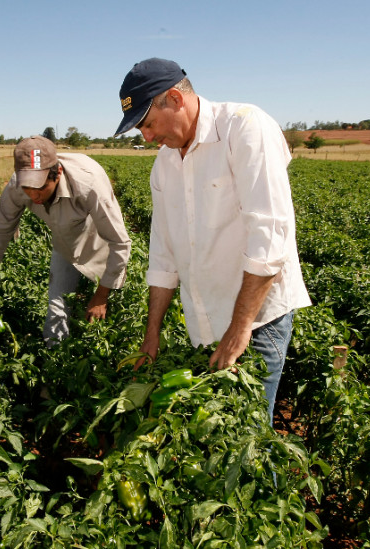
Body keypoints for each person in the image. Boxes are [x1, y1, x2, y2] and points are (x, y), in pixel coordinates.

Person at [115, 58, 311, 422]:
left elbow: (269, 237)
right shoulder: (164, 166)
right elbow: (163, 255)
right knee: (215, 435)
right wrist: (151, 336)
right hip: (203, 324)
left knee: (247, 435)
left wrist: (239, 331)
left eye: (147, 123)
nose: (148, 136)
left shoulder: (244, 127)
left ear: (174, 98)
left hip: (256, 322)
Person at [0, 135, 132, 346]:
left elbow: (119, 242)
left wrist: (102, 295)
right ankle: (56, 359)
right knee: (56, 314)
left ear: (57, 173)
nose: (33, 196)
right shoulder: (17, 186)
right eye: (27, 188)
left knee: (109, 315)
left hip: (99, 242)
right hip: (64, 245)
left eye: (40, 187)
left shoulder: (88, 182)